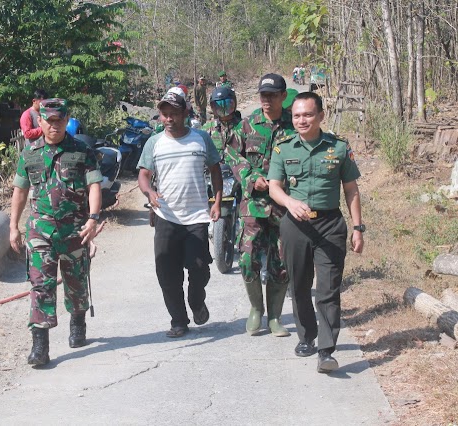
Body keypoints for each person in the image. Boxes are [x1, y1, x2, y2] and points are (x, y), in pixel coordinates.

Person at [267, 91, 364, 373]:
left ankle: (326, 350)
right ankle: (306, 336)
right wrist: (289, 202)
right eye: (297, 115)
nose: (302, 120)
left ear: (321, 116)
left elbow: (351, 189)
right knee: (298, 285)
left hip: (330, 225)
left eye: (308, 114)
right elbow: (274, 186)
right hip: (295, 225)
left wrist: (358, 228)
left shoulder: (339, 148)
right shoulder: (283, 148)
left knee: (328, 289)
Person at [9, 98, 103, 367]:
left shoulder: (82, 151)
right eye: (49, 120)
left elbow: (94, 186)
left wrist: (94, 218)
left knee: (76, 284)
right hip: (41, 231)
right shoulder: (30, 153)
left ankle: (78, 322)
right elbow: (20, 191)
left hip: (75, 231)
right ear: (40, 121)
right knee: (41, 286)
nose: (54, 125)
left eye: (59, 120)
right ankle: (40, 346)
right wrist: (13, 226)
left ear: (66, 119)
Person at [137, 91, 223, 338]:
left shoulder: (201, 139)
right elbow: (143, 175)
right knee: (167, 272)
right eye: (165, 114)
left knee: (199, 269)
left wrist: (216, 201)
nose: (169, 118)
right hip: (166, 216)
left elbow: (215, 170)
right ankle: (178, 320)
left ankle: (196, 300)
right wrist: (150, 192)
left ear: (185, 113)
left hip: (196, 216)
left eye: (174, 113)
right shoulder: (154, 142)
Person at [223, 73, 296, 337]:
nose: (267, 100)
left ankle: (275, 317)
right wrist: (251, 177)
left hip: (284, 206)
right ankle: (256, 309)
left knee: (281, 260)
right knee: (247, 257)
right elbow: (231, 154)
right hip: (252, 204)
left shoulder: (293, 125)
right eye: (263, 95)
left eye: (273, 95)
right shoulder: (247, 125)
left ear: (283, 96)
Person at [202, 87, 241, 152]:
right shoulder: (208, 128)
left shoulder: (244, 126)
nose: (223, 109)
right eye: (219, 106)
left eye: (227, 104)